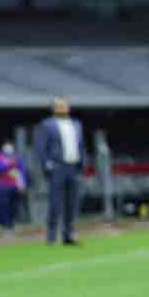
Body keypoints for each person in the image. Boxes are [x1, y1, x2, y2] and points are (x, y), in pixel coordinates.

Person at [33, 97, 86, 245]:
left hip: (73, 167)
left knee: (72, 203)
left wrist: (83, 163)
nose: (63, 108)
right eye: (60, 106)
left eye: (65, 106)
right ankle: (51, 236)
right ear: (54, 108)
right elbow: (41, 147)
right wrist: (47, 165)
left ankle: (68, 235)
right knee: (55, 203)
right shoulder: (47, 124)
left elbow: (81, 146)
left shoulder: (76, 124)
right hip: (58, 167)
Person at [0, 141, 26, 233]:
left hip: (14, 186)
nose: (8, 148)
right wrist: (8, 164)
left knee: (13, 207)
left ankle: (12, 225)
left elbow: (22, 170)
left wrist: (22, 183)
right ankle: (5, 227)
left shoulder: (16, 157)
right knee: (3, 207)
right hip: (2, 186)